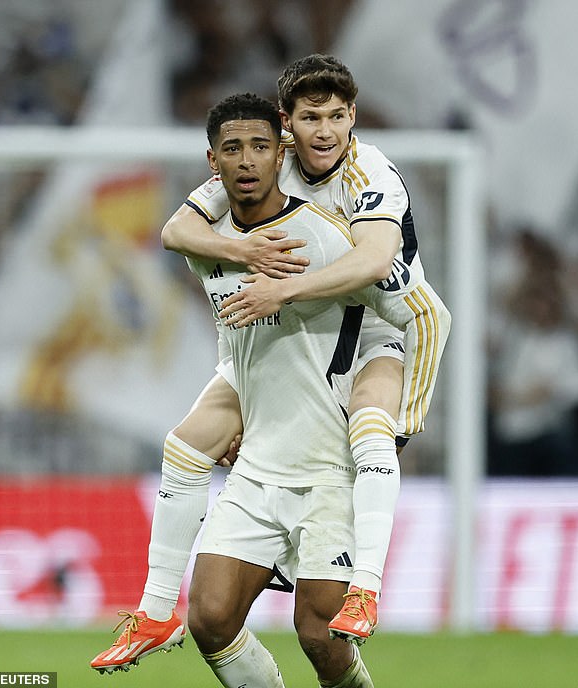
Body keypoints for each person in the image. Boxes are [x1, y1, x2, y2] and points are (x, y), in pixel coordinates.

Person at [163, 55, 450, 639]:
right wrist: (247, 256)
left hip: (390, 322)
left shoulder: (371, 173)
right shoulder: (268, 157)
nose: (327, 132)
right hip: (313, 319)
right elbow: (177, 231)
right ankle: (159, 604)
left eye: (339, 117)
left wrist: (283, 289)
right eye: (312, 117)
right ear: (286, 123)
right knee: (194, 441)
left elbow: (372, 262)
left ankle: (364, 590)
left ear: (353, 119)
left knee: (368, 435)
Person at [181, 92, 376, 687]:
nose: (246, 161)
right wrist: (239, 404)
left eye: (260, 147)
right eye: (233, 149)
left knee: (321, 636)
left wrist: (386, 420)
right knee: (211, 618)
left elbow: (397, 318)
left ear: (280, 152)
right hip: (257, 466)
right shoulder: (205, 248)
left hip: (328, 467)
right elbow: (235, 343)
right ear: (212, 162)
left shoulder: (324, 236)